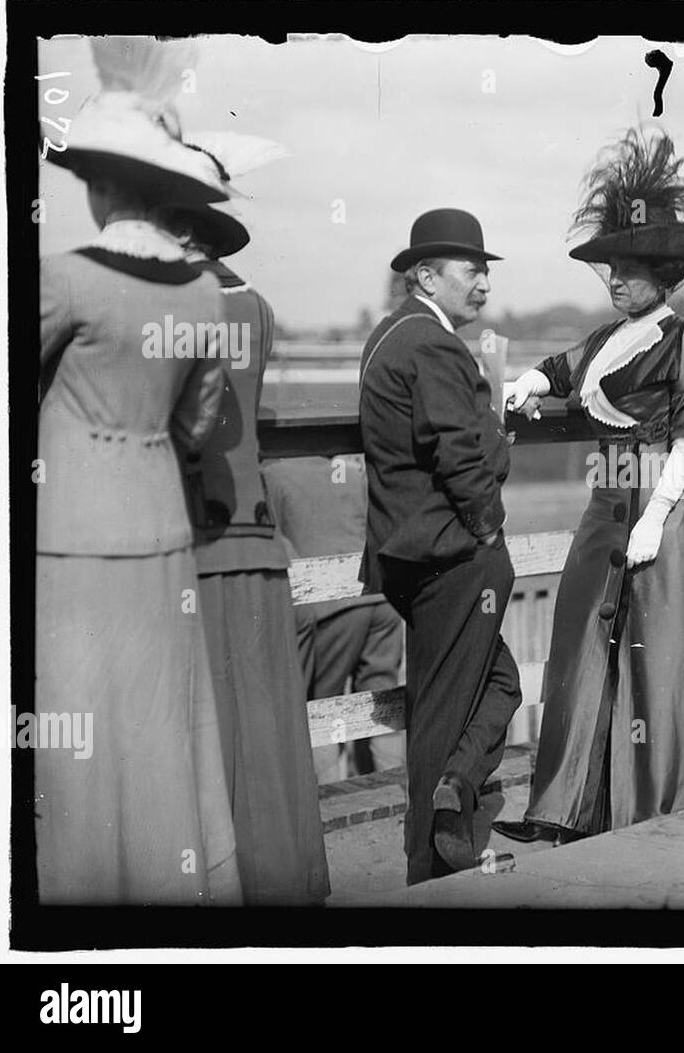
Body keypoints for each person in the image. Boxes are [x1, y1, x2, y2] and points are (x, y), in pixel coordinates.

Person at [35, 37, 242, 904]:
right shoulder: (201, 294)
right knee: (159, 728)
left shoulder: (60, 282)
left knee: (76, 731)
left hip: (72, 537)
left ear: (108, 187)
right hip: (160, 531)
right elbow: (197, 424)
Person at [494, 128, 684, 843]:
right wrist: (525, 385)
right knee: (581, 644)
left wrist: (655, 517)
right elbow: (559, 370)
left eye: (629, 270)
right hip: (605, 502)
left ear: (662, 275)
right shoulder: (607, 339)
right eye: (610, 269)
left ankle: (653, 802)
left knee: (654, 654)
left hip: (660, 508)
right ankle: (562, 808)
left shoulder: (683, 337)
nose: (615, 280)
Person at [156, 195, 331, 905]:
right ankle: (288, 878)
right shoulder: (251, 302)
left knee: (214, 719)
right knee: (270, 723)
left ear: (177, 231)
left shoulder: (182, 305)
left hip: (203, 535)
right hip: (258, 533)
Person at [359, 208, 522, 884]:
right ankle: (431, 867)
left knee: (485, 687)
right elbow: (463, 456)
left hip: (407, 552)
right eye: (471, 269)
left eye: (485, 269)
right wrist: (487, 527)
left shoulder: (389, 334)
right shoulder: (434, 343)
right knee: (449, 709)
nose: (483, 282)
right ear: (427, 274)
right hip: (452, 556)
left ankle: (454, 804)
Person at [262, 452, 405, 782]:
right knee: (382, 706)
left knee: (320, 710)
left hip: (331, 607)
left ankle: (325, 806)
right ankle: (392, 792)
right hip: (379, 599)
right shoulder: (350, 471)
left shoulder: (273, 474)